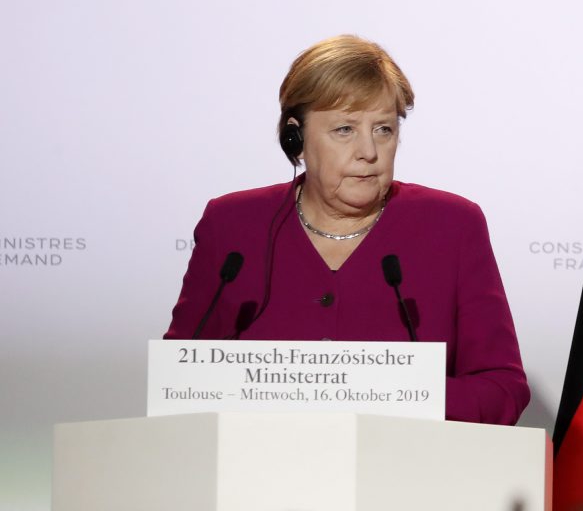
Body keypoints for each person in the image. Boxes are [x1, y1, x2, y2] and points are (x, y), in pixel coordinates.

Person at [165, 35, 530, 425]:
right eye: (344, 129)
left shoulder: (453, 226)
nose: (369, 152)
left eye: (384, 130)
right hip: (255, 473)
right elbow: (179, 381)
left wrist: (384, 392)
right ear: (296, 138)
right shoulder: (231, 225)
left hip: (408, 474)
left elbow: (502, 390)